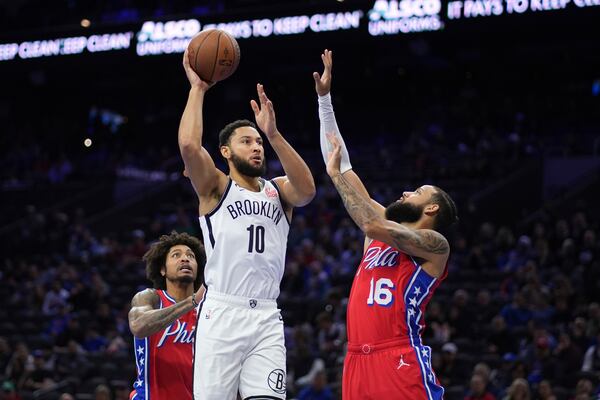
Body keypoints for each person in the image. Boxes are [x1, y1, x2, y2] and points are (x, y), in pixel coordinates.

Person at [314, 49, 458, 399]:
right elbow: (343, 164)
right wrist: (325, 101)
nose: (407, 191)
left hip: (399, 357)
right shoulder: (380, 226)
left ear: (432, 207)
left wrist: (334, 177)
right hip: (356, 360)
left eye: (418, 191)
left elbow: (371, 225)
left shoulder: (435, 246)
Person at [178, 49, 316, 400]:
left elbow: (307, 191)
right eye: (246, 141)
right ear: (225, 151)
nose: (256, 147)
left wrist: (273, 134)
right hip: (223, 312)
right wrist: (198, 89)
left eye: (258, 143)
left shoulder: (278, 190)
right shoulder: (216, 187)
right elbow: (190, 146)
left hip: (267, 316)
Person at [127, 231, 206, 400]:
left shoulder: (208, 310)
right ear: (162, 269)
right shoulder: (151, 297)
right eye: (176, 255)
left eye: (191, 256)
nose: (185, 259)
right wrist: (191, 302)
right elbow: (138, 326)